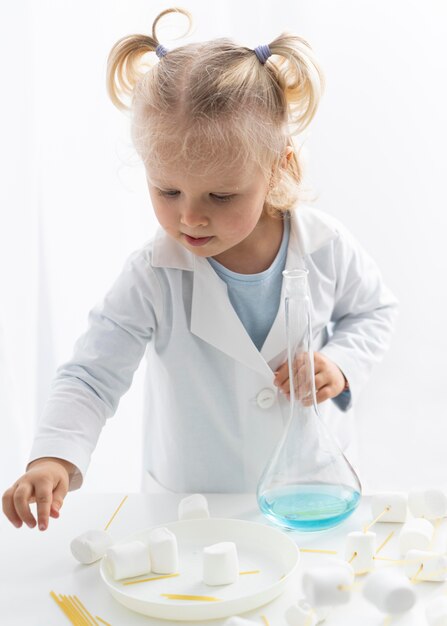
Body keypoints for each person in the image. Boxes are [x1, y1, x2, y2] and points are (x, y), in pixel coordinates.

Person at [2, 7, 398, 532]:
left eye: (221, 195)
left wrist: (339, 363)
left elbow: (374, 312)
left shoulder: (324, 246)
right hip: (193, 507)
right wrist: (53, 456)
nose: (189, 216)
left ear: (279, 166)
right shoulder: (153, 274)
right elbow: (92, 376)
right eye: (167, 190)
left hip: (310, 494)